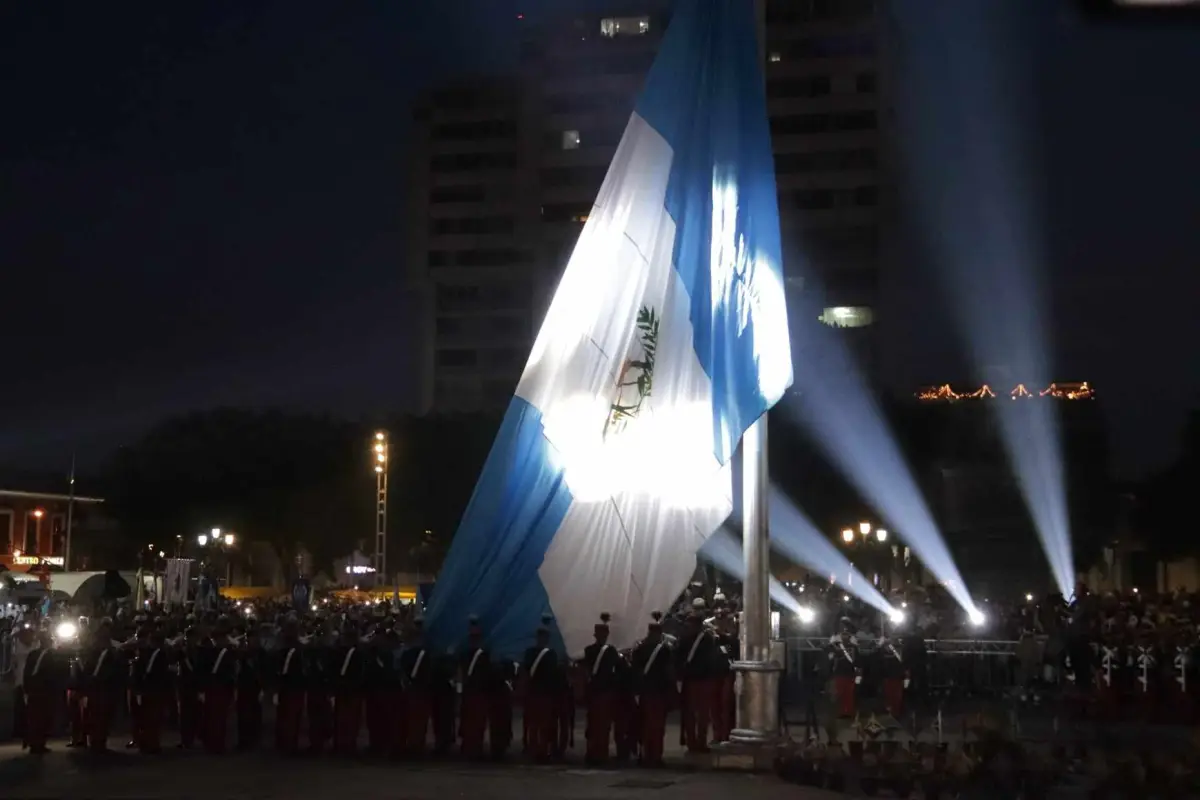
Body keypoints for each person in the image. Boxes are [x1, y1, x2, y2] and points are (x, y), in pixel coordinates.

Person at [677, 599, 719, 753]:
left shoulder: (688, 639)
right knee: (698, 714)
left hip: (694, 679)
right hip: (700, 680)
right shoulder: (706, 639)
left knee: (696, 714)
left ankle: (694, 742)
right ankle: (696, 742)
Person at [631, 612, 671, 768]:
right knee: (657, 726)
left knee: (644, 724)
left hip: (644, 692)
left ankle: (644, 755)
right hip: (658, 692)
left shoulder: (640, 649)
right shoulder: (664, 650)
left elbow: (635, 671)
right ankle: (655, 756)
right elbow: (668, 672)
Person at [582, 612, 619, 765]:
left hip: (593, 690)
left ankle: (591, 752)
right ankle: (601, 753)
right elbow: (617, 668)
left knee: (593, 723)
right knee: (602, 724)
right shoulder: (610, 651)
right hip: (604, 691)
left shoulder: (588, 650)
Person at [522, 615, 560, 761]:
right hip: (537, 692)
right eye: (540, 636)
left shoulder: (548, 654)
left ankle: (541, 750)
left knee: (542, 724)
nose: (541, 639)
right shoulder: (534, 653)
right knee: (534, 724)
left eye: (543, 636)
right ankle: (535, 750)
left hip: (543, 692)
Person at [81, 618, 122, 753]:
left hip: (104, 688)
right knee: (96, 715)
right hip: (97, 688)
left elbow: (114, 671)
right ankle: (96, 741)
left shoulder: (111, 652)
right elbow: (88, 668)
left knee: (103, 716)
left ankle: (99, 741)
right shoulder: (94, 651)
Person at [21, 627, 62, 756]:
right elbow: (53, 674)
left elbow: (27, 673)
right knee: (40, 718)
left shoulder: (34, 654)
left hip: (36, 690)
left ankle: (37, 743)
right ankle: (37, 743)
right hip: (44, 691)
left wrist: (27, 688)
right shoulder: (50, 655)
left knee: (37, 717)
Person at [200, 617, 238, 754]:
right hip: (219, 687)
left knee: (213, 717)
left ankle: (213, 742)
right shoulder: (226, 652)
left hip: (213, 687)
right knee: (217, 718)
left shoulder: (207, 651)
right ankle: (216, 744)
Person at [132, 627, 171, 754]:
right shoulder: (161, 654)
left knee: (145, 717)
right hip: (156, 690)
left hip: (146, 689)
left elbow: (137, 671)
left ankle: (145, 743)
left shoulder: (144, 654)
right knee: (154, 718)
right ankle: (152, 744)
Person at [399, 616, 433, 756]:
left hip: (412, 688)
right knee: (418, 720)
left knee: (412, 718)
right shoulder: (426, 655)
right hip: (420, 689)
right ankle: (416, 744)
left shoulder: (407, 654)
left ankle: (413, 744)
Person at [331, 623, 365, 756]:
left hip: (342, 688)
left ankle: (340, 744)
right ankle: (349, 744)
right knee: (351, 719)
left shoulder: (338, 652)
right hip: (353, 690)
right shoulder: (358, 653)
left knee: (341, 718)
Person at [459, 615, 490, 759]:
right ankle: (469, 746)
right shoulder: (465, 653)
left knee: (477, 722)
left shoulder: (483, 655)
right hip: (470, 691)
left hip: (479, 691)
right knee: (468, 721)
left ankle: (475, 747)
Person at [272, 620, 306, 754]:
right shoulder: (299, 649)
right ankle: (290, 745)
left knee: (284, 717)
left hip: (285, 687)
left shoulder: (281, 649)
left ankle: (283, 743)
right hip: (294, 688)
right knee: (292, 718)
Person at [235, 625, 266, 750]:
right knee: (242, 714)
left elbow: (264, 670)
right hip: (244, 686)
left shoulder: (261, 653)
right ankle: (244, 740)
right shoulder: (243, 653)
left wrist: (264, 687)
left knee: (255, 713)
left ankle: (255, 738)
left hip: (256, 686)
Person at [828, 620, 859, 719]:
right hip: (839, 671)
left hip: (850, 671)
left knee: (849, 694)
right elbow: (830, 657)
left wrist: (858, 672)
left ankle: (849, 712)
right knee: (839, 693)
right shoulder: (835, 642)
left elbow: (857, 658)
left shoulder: (853, 642)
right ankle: (840, 712)